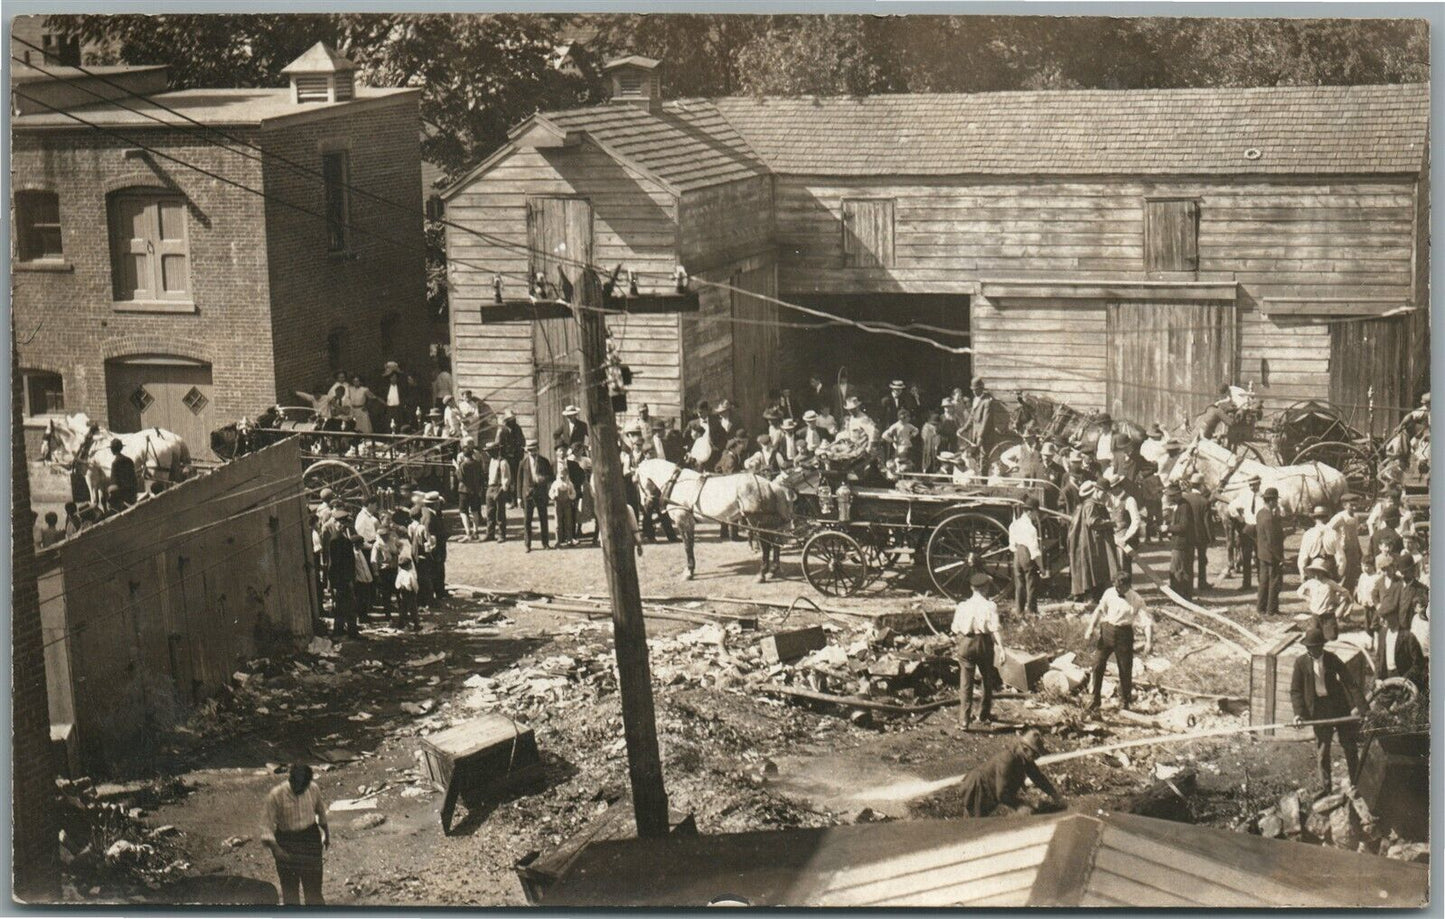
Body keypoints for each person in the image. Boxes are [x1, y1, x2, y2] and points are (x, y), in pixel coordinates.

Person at [1289, 627, 1365, 795]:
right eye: (1308, 647)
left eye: (1314, 647)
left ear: (1321, 646)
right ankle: (1326, 788)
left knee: (1349, 746)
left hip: (1338, 706)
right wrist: (1298, 714)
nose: (1311, 650)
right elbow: (1296, 691)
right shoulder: (1301, 663)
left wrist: (1363, 708)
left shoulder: (1332, 659)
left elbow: (1350, 682)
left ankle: (1357, 783)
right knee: (1323, 750)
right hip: (1318, 709)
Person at [1084, 571, 1154, 711]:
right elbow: (1099, 610)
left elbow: (1147, 622)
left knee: (1125, 669)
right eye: (1115, 586)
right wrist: (1091, 627)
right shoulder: (1109, 593)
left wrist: (1148, 642)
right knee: (1097, 664)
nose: (1117, 589)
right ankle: (1094, 699)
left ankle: (1124, 702)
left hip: (1124, 634)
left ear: (1128, 585)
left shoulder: (1136, 599)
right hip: (1107, 631)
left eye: (1120, 587)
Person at [260, 764, 329, 906]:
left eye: (304, 786)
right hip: (287, 841)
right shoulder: (276, 795)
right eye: (298, 786)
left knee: (314, 889)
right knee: (290, 891)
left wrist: (326, 834)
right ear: (290, 780)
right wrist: (277, 849)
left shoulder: (313, 788)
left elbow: (321, 811)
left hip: (310, 838)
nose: (301, 790)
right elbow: (266, 827)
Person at [955, 729, 1063, 818]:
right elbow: (1002, 793)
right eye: (1035, 754)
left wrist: (1054, 794)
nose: (1037, 758)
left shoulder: (1025, 758)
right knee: (975, 824)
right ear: (1025, 749)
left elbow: (1038, 777)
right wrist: (1020, 805)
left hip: (990, 791)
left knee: (982, 819)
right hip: (978, 788)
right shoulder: (1007, 760)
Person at [952, 572, 1002, 729]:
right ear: (986, 588)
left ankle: (964, 720)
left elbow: (955, 628)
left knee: (966, 683)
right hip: (984, 644)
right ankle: (984, 714)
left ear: (971, 588)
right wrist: (1001, 648)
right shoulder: (990, 606)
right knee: (987, 679)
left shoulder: (962, 606)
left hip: (967, 643)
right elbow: (994, 630)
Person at [1068, 481, 1114, 602]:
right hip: (1091, 542)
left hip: (1093, 541)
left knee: (1096, 570)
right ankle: (1091, 597)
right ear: (1097, 491)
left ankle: (1095, 596)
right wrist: (1110, 523)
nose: (1106, 496)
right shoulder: (1090, 505)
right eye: (1104, 493)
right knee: (1093, 569)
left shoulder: (1093, 504)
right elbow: (1092, 522)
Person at [1375, 602, 1427, 696]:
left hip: (1403, 679)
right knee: (1378, 707)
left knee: (1400, 708)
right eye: (1380, 617)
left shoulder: (1408, 637)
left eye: (1384, 617)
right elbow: (1379, 657)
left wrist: (1405, 679)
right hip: (1386, 678)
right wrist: (1378, 678)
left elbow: (1418, 663)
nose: (1381, 621)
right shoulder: (1382, 633)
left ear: (1394, 616)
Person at [1297, 559, 1352, 641]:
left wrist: (1337, 600)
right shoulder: (1311, 582)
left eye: (1318, 572)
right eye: (1314, 571)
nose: (1316, 574)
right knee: (1314, 636)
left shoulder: (1330, 583)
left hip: (1328, 614)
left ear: (1323, 572)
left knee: (1331, 637)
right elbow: (1299, 592)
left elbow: (1345, 592)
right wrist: (1309, 599)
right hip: (1315, 614)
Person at [1375, 551, 1428, 634]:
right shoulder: (1396, 585)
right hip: (1395, 629)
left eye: (1406, 572)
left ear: (1413, 570)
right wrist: (1382, 614)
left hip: (1411, 631)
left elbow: (1424, 611)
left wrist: (1421, 609)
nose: (1403, 575)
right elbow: (1388, 603)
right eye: (1401, 572)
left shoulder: (1421, 589)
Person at [1008, 497, 1045, 614]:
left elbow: (1012, 544)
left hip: (1017, 554)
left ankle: (1019, 611)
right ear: (1030, 512)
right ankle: (1032, 612)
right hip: (1027, 553)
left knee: (1019, 585)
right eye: (1036, 512)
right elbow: (1034, 552)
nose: (1037, 515)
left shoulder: (1015, 524)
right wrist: (1042, 567)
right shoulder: (1031, 528)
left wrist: (1016, 551)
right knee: (1031, 583)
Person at [1227, 474, 1264, 590]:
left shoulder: (1264, 497)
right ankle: (1246, 584)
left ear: (1259, 484)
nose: (1252, 487)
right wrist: (1239, 518)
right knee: (1246, 558)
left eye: (1254, 485)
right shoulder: (1245, 496)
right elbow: (1231, 507)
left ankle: (1261, 583)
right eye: (1251, 485)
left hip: (1259, 529)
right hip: (1248, 528)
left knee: (1260, 557)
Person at [1104, 471, 1141, 579]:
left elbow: (1136, 521)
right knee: (1114, 566)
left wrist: (1126, 537)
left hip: (1124, 538)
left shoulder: (1129, 500)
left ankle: (1126, 589)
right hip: (1113, 537)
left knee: (1124, 566)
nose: (1111, 491)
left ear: (1118, 487)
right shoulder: (1112, 499)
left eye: (1112, 489)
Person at [1255, 486, 1286, 615]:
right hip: (1272, 555)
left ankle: (1261, 608)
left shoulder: (1260, 513)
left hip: (1262, 553)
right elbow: (1273, 541)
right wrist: (1280, 558)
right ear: (1272, 501)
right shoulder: (1270, 519)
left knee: (1263, 581)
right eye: (1276, 501)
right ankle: (1271, 609)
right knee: (1274, 582)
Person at [326, 510, 357, 637]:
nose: (345, 526)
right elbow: (336, 563)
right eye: (343, 523)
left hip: (341, 579)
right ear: (340, 524)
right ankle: (351, 631)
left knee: (341, 606)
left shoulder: (339, 538)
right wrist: (347, 580)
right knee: (349, 606)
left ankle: (340, 630)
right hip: (343, 579)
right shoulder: (338, 540)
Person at [519, 439, 554, 552]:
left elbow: (551, 476)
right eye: (529, 451)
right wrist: (519, 497)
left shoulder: (544, 461)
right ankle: (527, 545)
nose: (531, 453)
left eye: (533, 450)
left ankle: (545, 543)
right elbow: (519, 481)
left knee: (543, 519)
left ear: (538, 450)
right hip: (527, 495)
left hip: (541, 494)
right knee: (527, 520)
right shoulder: (523, 463)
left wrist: (543, 479)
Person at [1183, 473, 1214, 590]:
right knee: (1202, 560)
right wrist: (1211, 538)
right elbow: (1207, 522)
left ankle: (1188, 585)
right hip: (1201, 536)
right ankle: (1202, 583)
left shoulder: (1185, 498)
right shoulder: (1205, 502)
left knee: (1189, 560)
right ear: (1202, 486)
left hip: (1188, 535)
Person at [1164, 485, 1195, 600]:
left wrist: (1167, 528)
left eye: (1172, 496)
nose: (1170, 498)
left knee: (1178, 571)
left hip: (1182, 544)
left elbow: (1183, 527)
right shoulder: (1180, 505)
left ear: (1178, 494)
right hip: (1180, 543)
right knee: (1182, 570)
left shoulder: (1184, 506)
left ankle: (1180, 597)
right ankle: (1183, 596)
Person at [1328, 494, 1364, 591]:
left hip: (1353, 551)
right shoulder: (1340, 517)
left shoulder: (1355, 517)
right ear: (1344, 505)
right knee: (1343, 575)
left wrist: (1359, 551)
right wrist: (1336, 543)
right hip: (1343, 551)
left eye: (1356, 505)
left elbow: (1355, 536)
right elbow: (1328, 530)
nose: (1354, 507)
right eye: (1351, 505)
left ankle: (1349, 600)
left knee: (1352, 577)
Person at [1297, 506, 1339, 580]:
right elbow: (1341, 558)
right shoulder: (1333, 533)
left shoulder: (1308, 534)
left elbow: (1303, 558)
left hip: (1313, 570)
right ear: (1327, 518)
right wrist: (1339, 574)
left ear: (1314, 519)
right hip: (1330, 571)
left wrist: (1303, 574)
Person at [454, 443, 484, 541]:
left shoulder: (463, 465)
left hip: (464, 490)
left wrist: (456, 467)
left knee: (463, 512)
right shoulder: (477, 463)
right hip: (475, 490)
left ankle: (468, 533)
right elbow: (481, 477)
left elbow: (460, 478)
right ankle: (476, 532)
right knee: (475, 511)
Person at [550, 446, 578, 549]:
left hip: (567, 502)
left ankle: (569, 539)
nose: (562, 452)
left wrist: (571, 496)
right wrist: (554, 496)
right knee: (558, 521)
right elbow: (551, 491)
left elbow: (572, 492)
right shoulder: (555, 481)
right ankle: (558, 540)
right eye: (560, 451)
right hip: (558, 502)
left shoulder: (569, 481)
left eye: (563, 450)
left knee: (569, 520)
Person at [483, 443, 512, 542]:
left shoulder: (503, 462)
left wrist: (502, 490)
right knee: (489, 512)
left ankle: (501, 534)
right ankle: (490, 534)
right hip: (490, 488)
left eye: (489, 451)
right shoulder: (491, 461)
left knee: (500, 513)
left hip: (498, 488)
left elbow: (507, 479)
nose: (487, 453)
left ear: (495, 450)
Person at [108, 439, 139, 508]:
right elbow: (134, 478)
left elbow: (114, 484)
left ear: (112, 449)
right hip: (132, 493)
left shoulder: (115, 463)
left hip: (122, 497)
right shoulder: (129, 460)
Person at [394, 554, 421, 631]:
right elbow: (414, 585)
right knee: (413, 609)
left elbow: (397, 584)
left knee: (403, 609)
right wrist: (416, 591)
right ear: (408, 566)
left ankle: (400, 623)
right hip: (410, 593)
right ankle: (416, 625)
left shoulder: (400, 574)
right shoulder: (410, 574)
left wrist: (399, 589)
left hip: (402, 593)